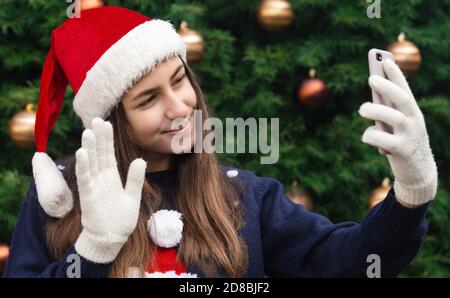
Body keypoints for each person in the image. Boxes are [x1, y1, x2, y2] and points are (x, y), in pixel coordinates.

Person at [4, 6, 437, 278]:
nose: (179, 107)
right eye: (149, 99)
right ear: (115, 123)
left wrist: (411, 194)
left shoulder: (246, 197)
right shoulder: (59, 199)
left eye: (179, 81)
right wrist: (94, 248)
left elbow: (357, 262)